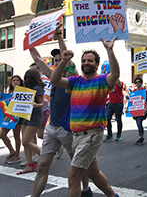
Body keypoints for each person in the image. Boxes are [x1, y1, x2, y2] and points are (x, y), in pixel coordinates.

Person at [51, 37, 119, 197]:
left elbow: (115, 73)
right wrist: (64, 61)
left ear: (96, 64)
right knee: (93, 173)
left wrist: (110, 50)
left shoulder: (102, 81)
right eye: (84, 60)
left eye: (90, 60)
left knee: (73, 176)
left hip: (91, 136)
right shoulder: (76, 81)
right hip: (77, 137)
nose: (86, 63)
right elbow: (55, 80)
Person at [29, 43, 93, 197]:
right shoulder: (52, 76)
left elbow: (69, 61)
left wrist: (59, 36)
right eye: (55, 60)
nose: (57, 63)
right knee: (43, 166)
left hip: (69, 130)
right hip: (52, 128)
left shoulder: (73, 78)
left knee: (77, 165)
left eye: (60, 60)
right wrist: (29, 40)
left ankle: (85, 189)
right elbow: (37, 59)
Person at [17, 69, 44, 174]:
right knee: (25, 143)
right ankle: (29, 164)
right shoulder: (25, 89)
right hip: (25, 115)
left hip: (34, 116)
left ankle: (44, 156)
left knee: (26, 141)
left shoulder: (37, 88)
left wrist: (35, 105)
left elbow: (41, 103)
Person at [1, 75, 23, 165]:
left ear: (20, 82)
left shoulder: (23, 91)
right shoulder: (9, 91)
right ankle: (12, 151)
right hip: (8, 116)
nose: (15, 82)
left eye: (17, 80)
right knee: (2, 134)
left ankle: (17, 155)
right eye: (14, 80)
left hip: (17, 116)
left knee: (16, 136)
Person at [131, 77, 147, 146]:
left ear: (141, 83)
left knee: (139, 123)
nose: (137, 83)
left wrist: (146, 107)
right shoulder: (134, 91)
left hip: (142, 110)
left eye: (139, 82)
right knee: (138, 123)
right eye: (136, 82)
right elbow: (131, 101)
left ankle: (141, 137)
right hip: (136, 111)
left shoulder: (144, 91)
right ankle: (141, 136)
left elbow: (146, 100)